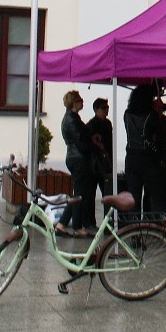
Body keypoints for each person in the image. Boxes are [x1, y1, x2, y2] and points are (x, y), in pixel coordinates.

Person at [55, 90, 96, 238]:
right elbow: (81, 143)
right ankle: (67, 225)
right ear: (74, 103)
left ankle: (69, 224)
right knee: (78, 194)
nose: (82, 103)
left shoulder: (73, 117)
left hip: (76, 158)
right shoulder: (71, 120)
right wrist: (93, 144)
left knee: (80, 193)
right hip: (78, 159)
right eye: (80, 100)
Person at [123, 84, 166, 215]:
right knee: (156, 196)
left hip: (131, 157)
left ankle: (134, 230)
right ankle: (158, 227)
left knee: (134, 198)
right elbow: (157, 135)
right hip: (149, 159)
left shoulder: (127, 114)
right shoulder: (152, 115)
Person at [86, 98, 113, 210]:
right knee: (91, 193)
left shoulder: (108, 123)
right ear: (96, 109)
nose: (106, 110)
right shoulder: (91, 124)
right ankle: (90, 221)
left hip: (106, 162)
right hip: (95, 163)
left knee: (108, 193)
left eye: (107, 107)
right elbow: (89, 144)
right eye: (103, 107)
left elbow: (110, 143)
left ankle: (108, 219)